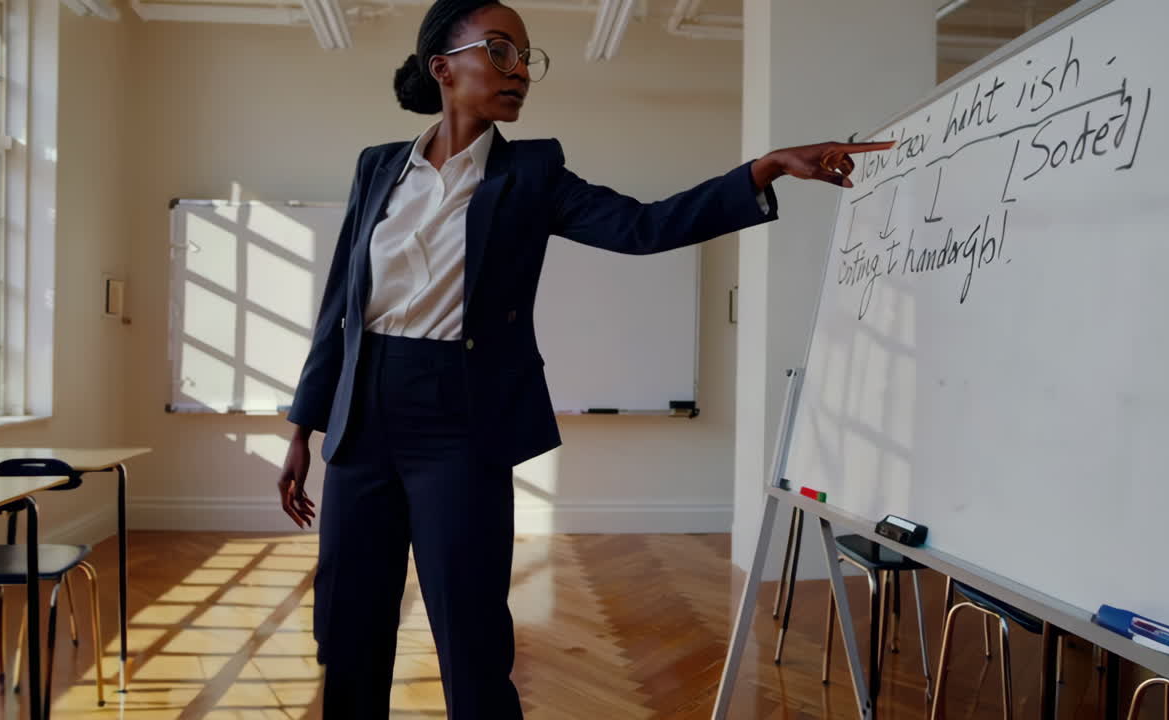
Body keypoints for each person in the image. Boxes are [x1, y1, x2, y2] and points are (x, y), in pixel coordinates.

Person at [276, 0, 893, 716]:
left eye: (526, 59)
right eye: (500, 52)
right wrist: (302, 427)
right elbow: (339, 308)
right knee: (348, 633)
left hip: (460, 423)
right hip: (362, 421)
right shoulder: (378, 167)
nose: (519, 72)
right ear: (443, 69)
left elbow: (643, 226)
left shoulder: (532, 174)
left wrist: (763, 170)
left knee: (471, 639)